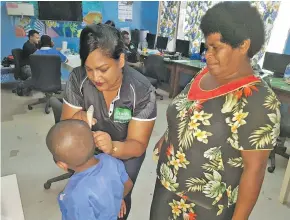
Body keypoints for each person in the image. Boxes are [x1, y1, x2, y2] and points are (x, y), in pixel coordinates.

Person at [150, 2, 281, 220]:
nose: (207, 55)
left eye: (216, 48)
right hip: (166, 186)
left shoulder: (258, 100)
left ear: (243, 46)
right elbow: (186, 112)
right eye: (207, 47)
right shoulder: (204, 74)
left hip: (206, 208)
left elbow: (254, 171)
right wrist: (169, 138)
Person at [61, 24, 157, 219]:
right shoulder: (77, 79)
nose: (96, 77)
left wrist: (112, 148)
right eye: (89, 69)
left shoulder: (141, 91)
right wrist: (76, 121)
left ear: (120, 60)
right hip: (90, 151)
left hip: (126, 151)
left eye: (103, 69)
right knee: (88, 200)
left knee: (116, 205)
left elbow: (137, 145)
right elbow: (65, 126)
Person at [46, 119, 133, 219]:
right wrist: (117, 200)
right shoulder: (110, 160)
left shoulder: (74, 196)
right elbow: (128, 184)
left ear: (62, 165)